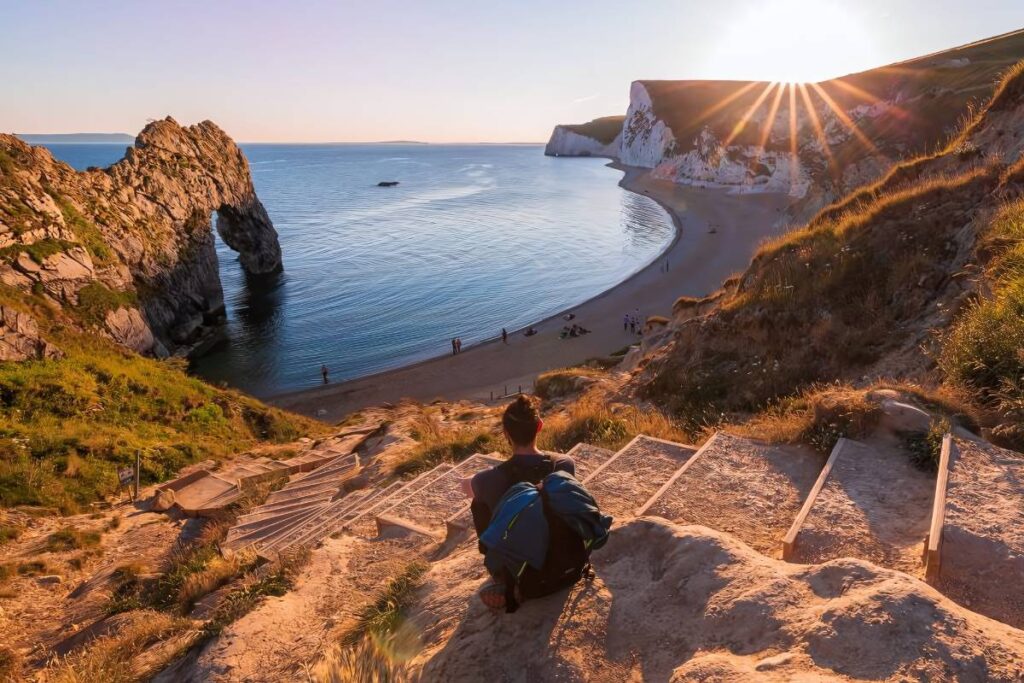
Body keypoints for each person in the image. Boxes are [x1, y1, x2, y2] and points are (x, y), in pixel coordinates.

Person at [461, 395, 576, 608]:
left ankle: (506, 578)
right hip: (565, 562)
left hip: (526, 570)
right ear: (539, 426)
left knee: (478, 503)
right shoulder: (565, 464)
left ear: (506, 434)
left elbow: (467, 487)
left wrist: (473, 481)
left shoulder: (487, 480)